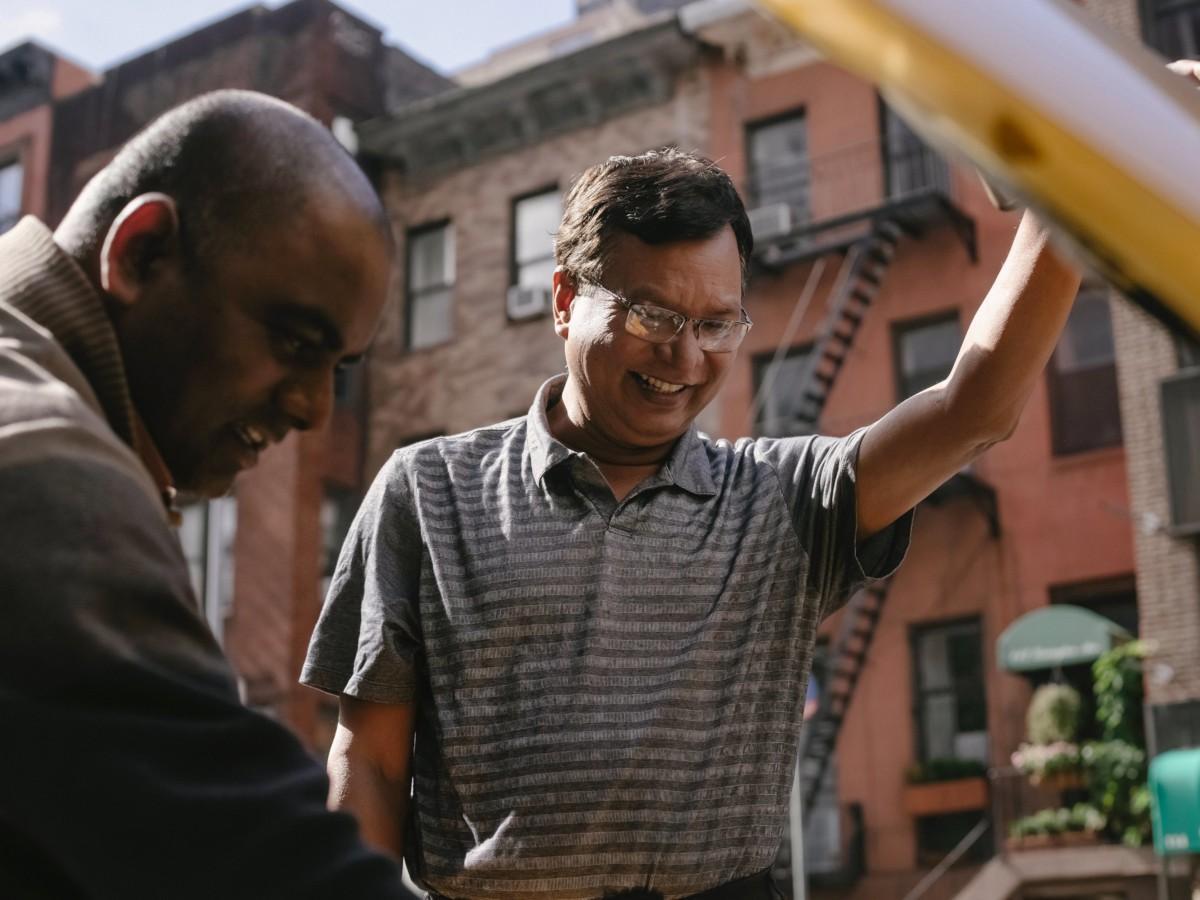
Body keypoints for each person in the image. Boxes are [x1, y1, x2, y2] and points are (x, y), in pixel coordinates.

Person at [301, 148, 1080, 899]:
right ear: (565, 301)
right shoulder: (427, 492)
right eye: (653, 315)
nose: (684, 356)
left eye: (717, 324)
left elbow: (975, 410)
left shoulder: (781, 499)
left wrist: (1075, 196)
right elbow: (369, 763)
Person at [0, 90, 418, 898]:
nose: (313, 409)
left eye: (337, 369)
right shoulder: (43, 464)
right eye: (294, 342)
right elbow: (262, 865)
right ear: (142, 253)